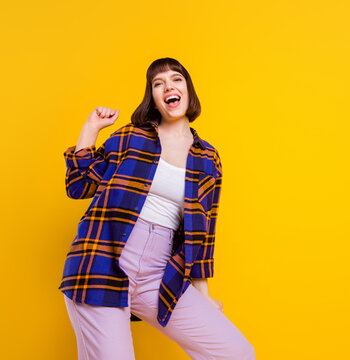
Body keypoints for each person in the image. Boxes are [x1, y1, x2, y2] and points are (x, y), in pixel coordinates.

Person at [58, 57, 256, 359]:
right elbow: (79, 185)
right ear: (153, 98)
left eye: (176, 79)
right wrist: (91, 128)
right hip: (103, 261)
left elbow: (203, 233)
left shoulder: (208, 158)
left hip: (160, 275)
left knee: (236, 353)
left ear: (188, 90)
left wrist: (204, 296)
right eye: (158, 84)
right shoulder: (132, 137)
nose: (168, 87)